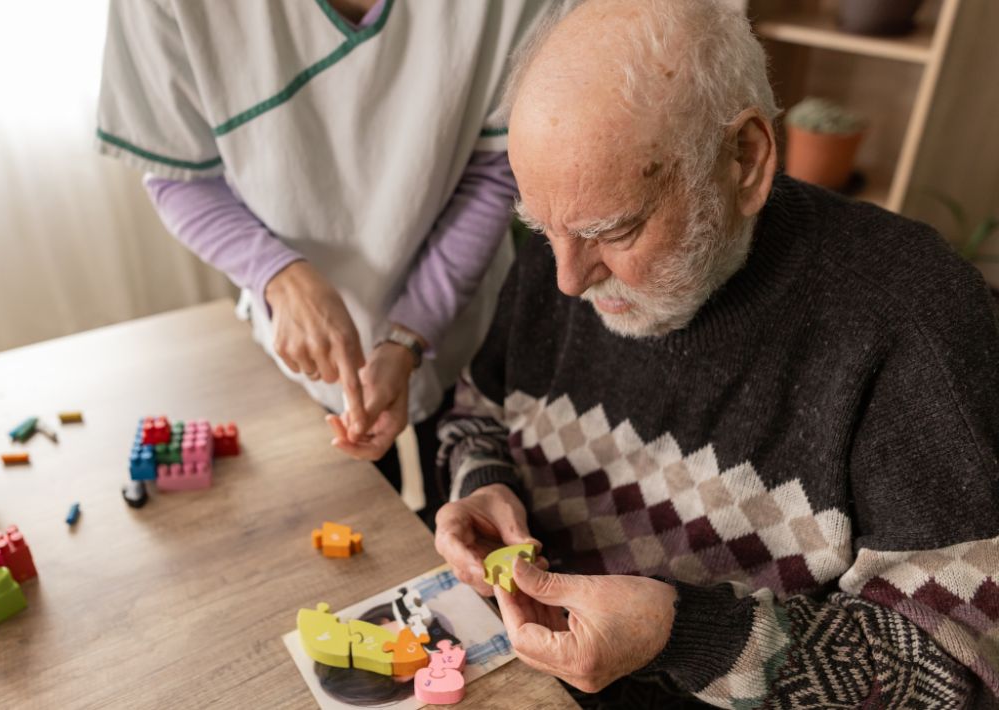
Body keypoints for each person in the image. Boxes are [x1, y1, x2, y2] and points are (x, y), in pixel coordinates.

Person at [434, 0, 999, 706]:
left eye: (618, 230)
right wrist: (483, 484)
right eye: (542, 229)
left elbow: (955, 673)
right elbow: (475, 409)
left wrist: (692, 638)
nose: (568, 282)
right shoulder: (571, 239)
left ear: (746, 159)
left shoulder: (911, 317)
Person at [95, 0, 556, 525]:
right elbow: (180, 175)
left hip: (460, 331)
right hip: (297, 363)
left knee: (461, 529)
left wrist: (409, 336)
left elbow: (497, 169)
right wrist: (278, 275)